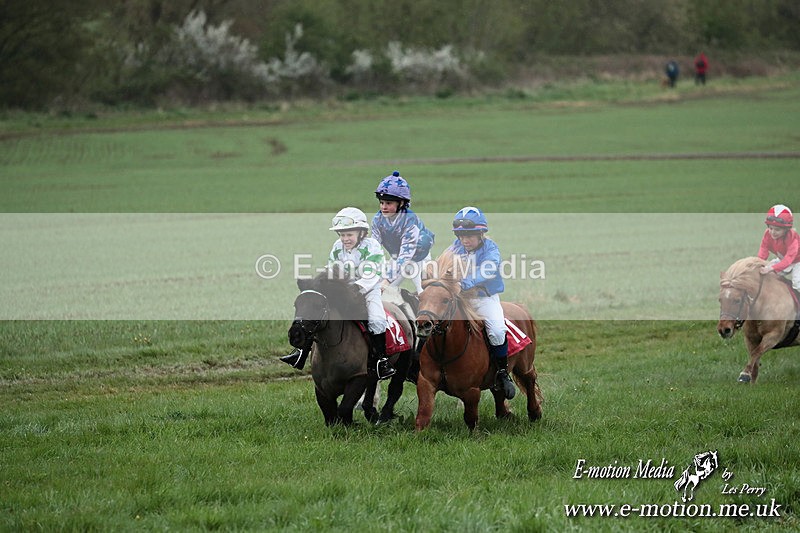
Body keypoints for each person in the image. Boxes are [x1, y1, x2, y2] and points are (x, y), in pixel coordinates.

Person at [280, 207, 396, 380]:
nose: (345, 239)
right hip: (343, 289)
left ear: (361, 232)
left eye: (349, 234)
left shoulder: (372, 247)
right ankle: (301, 353)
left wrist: (356, 288)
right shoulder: (337, 247)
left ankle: (381, 361)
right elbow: (332, 269)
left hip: (368, 289)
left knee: (377, 320)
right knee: (317, 313)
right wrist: (322, 284)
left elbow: (372, 274)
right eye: (342, 235)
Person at [449, 206, 515, 399]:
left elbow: (487, 270)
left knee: (496, 330)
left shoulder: (491, 249)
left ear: (481, 233)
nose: (465, 240)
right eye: (461, 236)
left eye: (469, 235)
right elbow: (444, 263)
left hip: (484, 298)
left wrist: (464, 282)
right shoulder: (455, 247)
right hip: (461, 298)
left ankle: (502, 373)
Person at [372, 170, 435, 294]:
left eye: (388, 203)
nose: (383, 207)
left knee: (423, 292)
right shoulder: (377, 220)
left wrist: (388, 280)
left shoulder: (409, 220)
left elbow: (406, 254)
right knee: (381, 291)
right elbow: (374, 248)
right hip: (397, 258)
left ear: (401, 203)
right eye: (381, 202)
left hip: (418, 258)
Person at [758, 204, 800, 292]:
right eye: (770, 228)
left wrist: (772, 268)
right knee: (766, 274)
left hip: (797, 262)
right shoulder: (767, 234)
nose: (773, 232)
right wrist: (758, 263)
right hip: (782, 260)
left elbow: (789, 259)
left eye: (777, 230)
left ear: (786, 229)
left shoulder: (793, 238)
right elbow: (763, 250)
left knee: (797, 283)